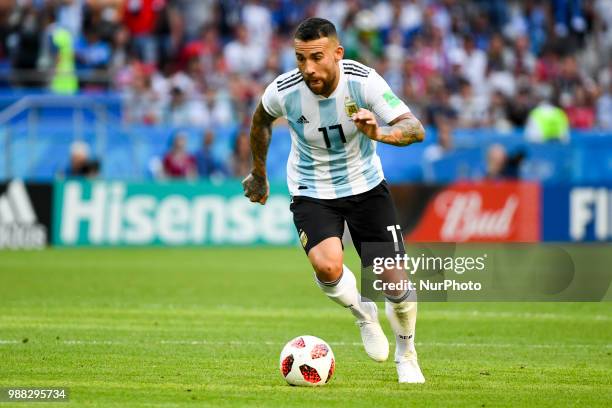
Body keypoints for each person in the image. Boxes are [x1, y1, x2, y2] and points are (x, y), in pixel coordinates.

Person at [242, 18, 426, 383]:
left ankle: (407, 353)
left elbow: (414, 129)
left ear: (337, 54)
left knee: (395, 283)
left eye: (316, 57)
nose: (308, 68)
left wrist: (381, 133)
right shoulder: (284, 89)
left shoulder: (363, 81)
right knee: (327, 266)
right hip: (312, 190)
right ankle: (362, 312)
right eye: (300, 59)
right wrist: (259, 173)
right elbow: (260, 120)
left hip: (366, 188)